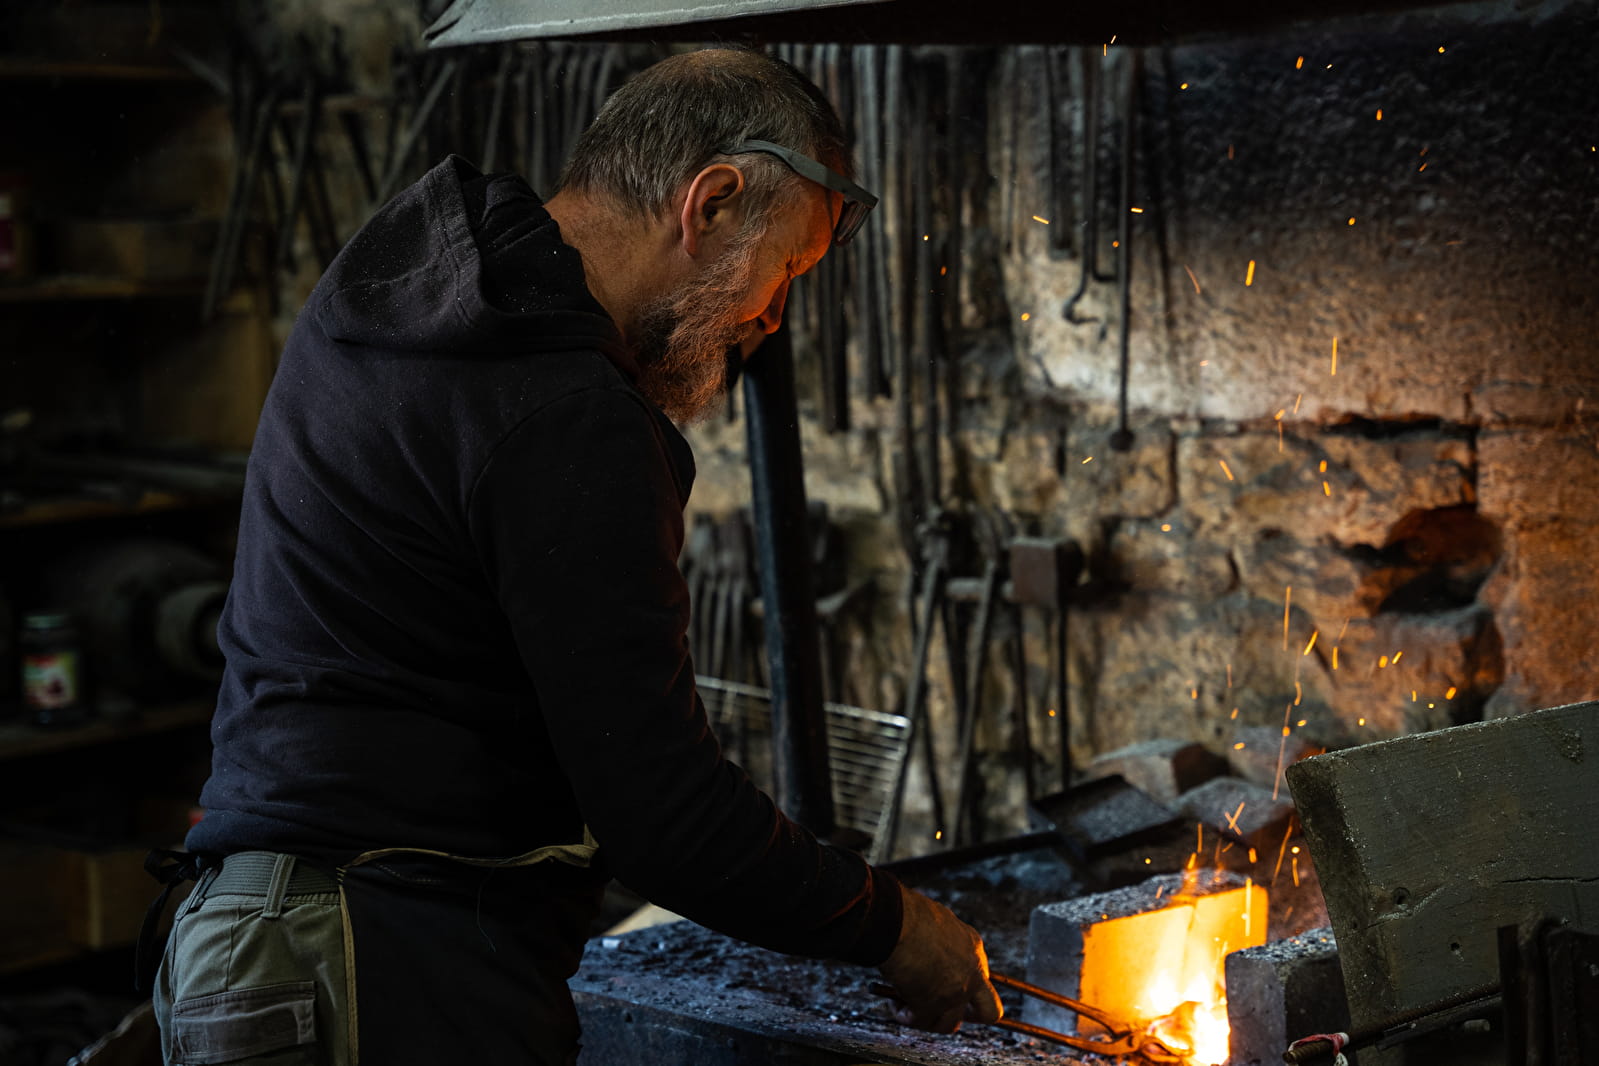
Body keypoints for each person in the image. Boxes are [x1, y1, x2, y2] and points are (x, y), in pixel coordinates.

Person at [149, 46, 1001, 1065]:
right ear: (712, 203)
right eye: (785, 272)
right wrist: (896, 925)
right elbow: (664, 814)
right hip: (373, 962)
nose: (769, 319)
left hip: (281, 939)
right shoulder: (561, 414)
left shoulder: (418, 287)